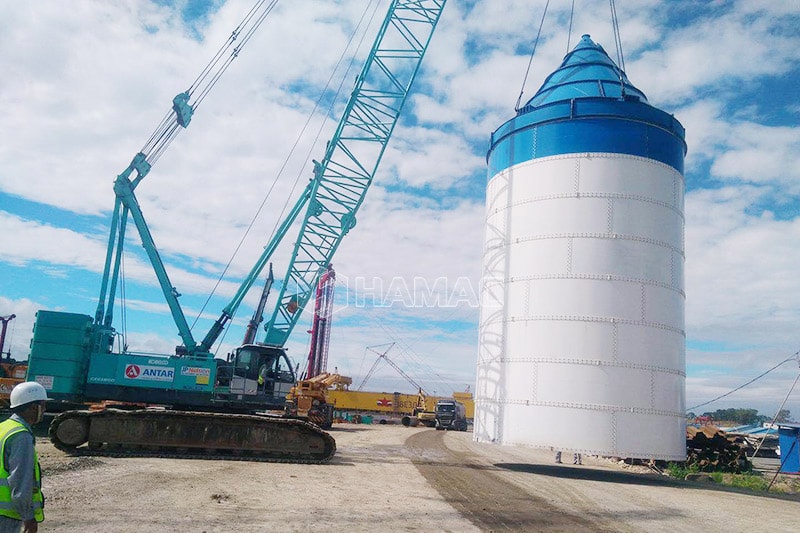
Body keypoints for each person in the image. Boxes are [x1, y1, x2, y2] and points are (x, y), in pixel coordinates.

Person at [0, 382, 48, 533]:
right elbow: (20, 480)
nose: (45, 410)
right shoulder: (21, 436)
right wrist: (28, 517)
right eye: (43, 406)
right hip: (6, 515)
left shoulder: (4, 427)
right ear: (33, 407)